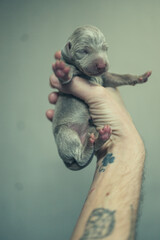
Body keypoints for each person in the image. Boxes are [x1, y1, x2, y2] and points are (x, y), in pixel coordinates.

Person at [46, 51, 145, 240]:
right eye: (85, 51)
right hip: (70, 131)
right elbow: (67, 79)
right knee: (67, 136)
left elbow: (110, 77)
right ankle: (89, 147)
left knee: (94, 133)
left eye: (103, 49)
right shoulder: (74, 67)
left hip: (89, 127)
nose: (99, 60)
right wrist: (65, 75)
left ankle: (95, 143)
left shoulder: (97, 76)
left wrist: (134, 79)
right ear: (70, 49)